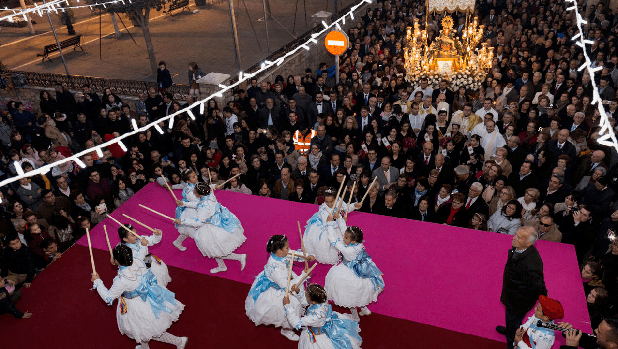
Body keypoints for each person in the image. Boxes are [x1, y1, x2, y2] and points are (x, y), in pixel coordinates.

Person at [91, 244, 187, 348]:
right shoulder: (137, 260)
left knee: (145, 330)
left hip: (136, 305)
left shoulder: (121, 280)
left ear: (116, 261)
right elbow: (146, 259)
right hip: (149, 296)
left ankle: (178, 341)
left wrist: (98, 282)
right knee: (143, 330)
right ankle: (145, 347)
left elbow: (108, 298)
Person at [245, 235, 315, 341]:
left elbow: (293, 254)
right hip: (280, 288)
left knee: (298, 297)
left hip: (286, 278)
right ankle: (287, 329)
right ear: (278, 251)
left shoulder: (283, 253)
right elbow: (287, 287)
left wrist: (307, 256)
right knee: (289, 306)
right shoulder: (274, 268)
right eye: (287, 247)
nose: (289, 249)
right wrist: (303, 276)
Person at [173, 182, 246, 274]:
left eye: (195, 192)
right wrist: (184, 204)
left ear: (200, 194)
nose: (194, 194)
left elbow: (198, 222)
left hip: (210, 225)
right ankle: (222, 266)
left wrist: (182, 221)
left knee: (214, 249)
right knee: (215, 249)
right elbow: (198, 204)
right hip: (218, 219)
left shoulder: (204, 207)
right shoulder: (209, 194)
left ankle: (239, 257)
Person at [497, 226, 548, 349]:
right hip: (512, 293)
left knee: (513, 319)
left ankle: (512, 341)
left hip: (519, 300)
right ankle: (511, 329)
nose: (514, 238)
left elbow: (538, 285)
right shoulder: (520, 248)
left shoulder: (531, 263)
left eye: (519, 237)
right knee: (512, 319)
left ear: (528, 243)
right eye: (515, 234)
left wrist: (544, 300)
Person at [324, 226, 384, 322]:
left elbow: (333, 240)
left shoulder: (348, 250)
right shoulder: (358, 244)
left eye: (346, 238)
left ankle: (355, 317)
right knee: (359, 294)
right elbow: (345, 228)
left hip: (349, 271)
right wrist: (339, 218)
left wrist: (330, 224)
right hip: (360, 269)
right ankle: (364, 309)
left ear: (353, 241)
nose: (343, 238)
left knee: (350, 295)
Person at [283, 283, 362, 348]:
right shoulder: (322, 299)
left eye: (306, 295)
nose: (305, 296)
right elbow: (306, 301)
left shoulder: (314, 317)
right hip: (324, 325)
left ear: (313, 301)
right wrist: (298, 292)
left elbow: (295, 322)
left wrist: (288, 306)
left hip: (318, 336)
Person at [303, 188, 361, 264]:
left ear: (335, 199)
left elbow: (345, 209)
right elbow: (327, 225)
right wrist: (341, 220)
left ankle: (343, 251)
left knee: (344, 237)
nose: (329, 204)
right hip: (326, 228)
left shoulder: (339, 202)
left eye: (331, 201)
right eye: (327, 201)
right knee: (328, 244)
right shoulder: (323, 210)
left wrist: (354, 205)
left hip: (337, 224)